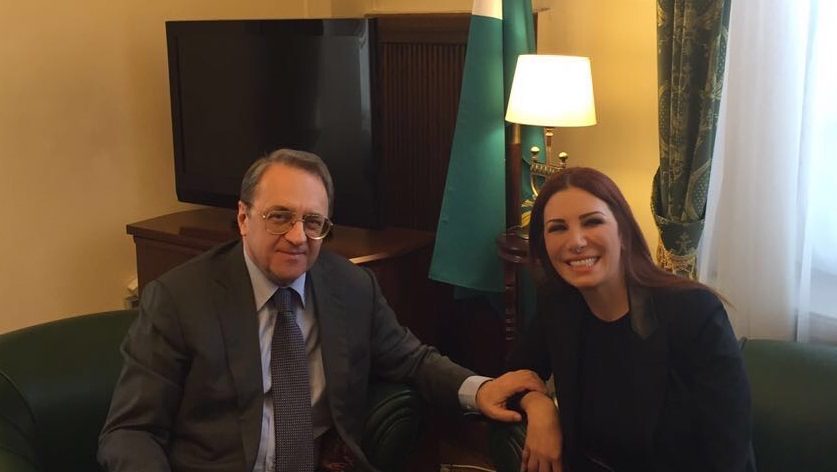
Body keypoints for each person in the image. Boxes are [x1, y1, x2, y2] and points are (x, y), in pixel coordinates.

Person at [98, 148, 542, 472]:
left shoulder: (351, 287)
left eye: (313, 222)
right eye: (279, 217)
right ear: (243, 218)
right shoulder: (179, 299)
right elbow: (131, 432)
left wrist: (480, 389)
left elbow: (412, 359)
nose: (297, 237)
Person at [488, 167, 755, 472]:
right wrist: (540, 407)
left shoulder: (692, 311)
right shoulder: (559, 304)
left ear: (623, 233)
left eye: (592, 222)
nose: (576, 241)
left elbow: (729, 453)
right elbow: (516, 376)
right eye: (557, 228)